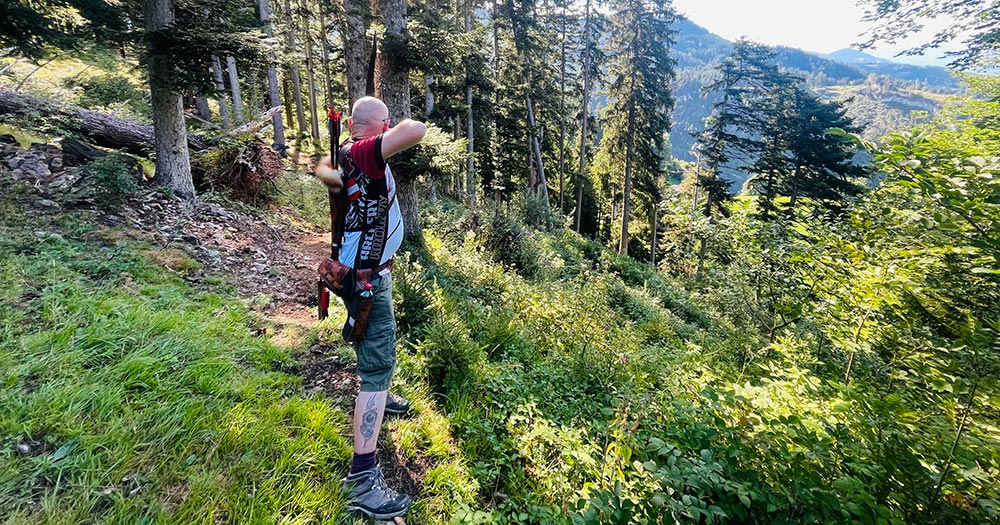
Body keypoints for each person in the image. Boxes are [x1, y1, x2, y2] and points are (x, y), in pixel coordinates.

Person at [315, 96, 426, 520]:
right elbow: (416, 131)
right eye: (385, 122)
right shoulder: (363, 153)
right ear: (378, 125)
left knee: (380, 349)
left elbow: (325, 173)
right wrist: (389, 129)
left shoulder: (344, 153)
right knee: (377, 368)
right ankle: (362, 478)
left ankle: (381, 394)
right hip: (367, 279)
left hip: (369, 272)